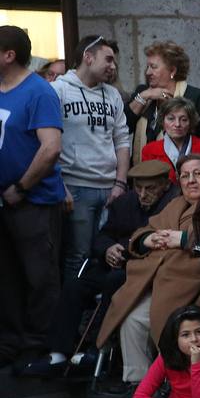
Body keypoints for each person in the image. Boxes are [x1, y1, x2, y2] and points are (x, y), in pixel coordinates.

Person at [20, 159, 177, 379]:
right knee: (75, 285)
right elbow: (103, 235)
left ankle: (95, 346)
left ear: (165, 186)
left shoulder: (173, 204)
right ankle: (58, 352)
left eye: (150, 189)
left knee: (115, 281)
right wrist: (107, 249)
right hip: (113, 262)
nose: (142, 195)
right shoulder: (125, 202)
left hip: (143, 269)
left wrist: (124, 248)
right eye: (138, 188)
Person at [95, 154, 200, 394]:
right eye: (185, 175)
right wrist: (147, 239)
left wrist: (179, 239)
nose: (191, 180)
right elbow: (145, 229)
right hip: (157, 278)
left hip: (188, 279)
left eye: (198, 174)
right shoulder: (176, 204)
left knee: (165, 316)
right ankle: (138, 382)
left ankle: (172, 382)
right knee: (132, 318)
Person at [0, 24, 64, 368]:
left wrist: (22, 187)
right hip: (4, 202)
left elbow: (50, 148)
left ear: (9, 56)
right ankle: (10, 344)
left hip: (32, 202)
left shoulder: (38, 92)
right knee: (7, 276)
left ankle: (39, 347)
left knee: (39, 277)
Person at [53, 34, 130, 278]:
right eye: (108, 59)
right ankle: (75, 313)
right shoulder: (58, 90)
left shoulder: (113, 95)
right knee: (78, 255)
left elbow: (122, 140)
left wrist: (120, 182)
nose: (113, 67)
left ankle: (99, 312)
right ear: (88, 57)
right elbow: (46, 141)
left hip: (110, 188)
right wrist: (59, 185)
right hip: (75, 186)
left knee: (106, 253)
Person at [127, 40, 200, 158]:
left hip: (182, 172)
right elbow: (124, 126)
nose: (148, 72)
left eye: (154, 67)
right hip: (141, 171)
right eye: (147, 67)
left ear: (172, 71)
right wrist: (144, 96)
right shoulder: (142, 92)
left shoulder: (195, 96)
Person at [141, 97, 200, 179]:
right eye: (171, 119)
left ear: (191, 122)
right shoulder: (149, 151)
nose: (177, 124)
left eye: (183, 120)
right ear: (162, 121)